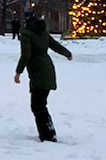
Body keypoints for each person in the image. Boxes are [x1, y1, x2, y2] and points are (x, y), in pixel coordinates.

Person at [14, 11, 73, 141]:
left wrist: (18, 72)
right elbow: (55, 45)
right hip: (48, 68)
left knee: (37, 105)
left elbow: (26, 55)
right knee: (40, 104)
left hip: (38, 70)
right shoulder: (43, 32)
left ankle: (48, 134)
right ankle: (49, 131)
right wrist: (67, 53)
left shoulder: (26, 34)